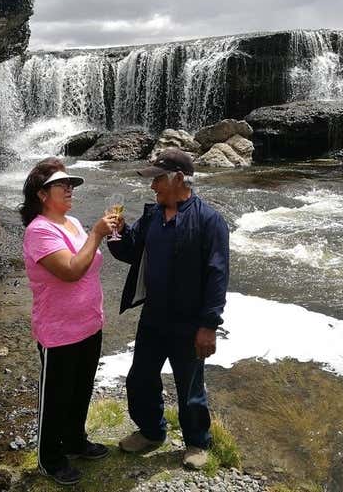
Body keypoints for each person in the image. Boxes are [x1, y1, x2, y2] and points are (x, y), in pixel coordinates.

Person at [107, 149, 229, 471]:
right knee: (140, 379)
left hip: (190, 322)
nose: (153, 187)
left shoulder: (209, 221)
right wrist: (116, 232)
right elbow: (130, 251)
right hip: (154, 317)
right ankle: (151, 432)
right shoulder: (152, 217)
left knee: (189, 387)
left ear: (178, 179)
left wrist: (208, 325)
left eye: (157, 180)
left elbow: (218, 275)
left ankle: (197, 443)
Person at [20, 158, 119, 486]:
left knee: (81, 389)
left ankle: (76, 441)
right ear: (42, 194)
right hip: (58, 332)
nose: (70, 190)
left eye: (71, 185)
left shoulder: (72, 222)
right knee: (57, 397)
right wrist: (97, 233)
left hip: (89, 324)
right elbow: (72, 270)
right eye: (62, 185)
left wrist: (106, 235)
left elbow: (88, 261)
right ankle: (50, 459)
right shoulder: (38, 231)